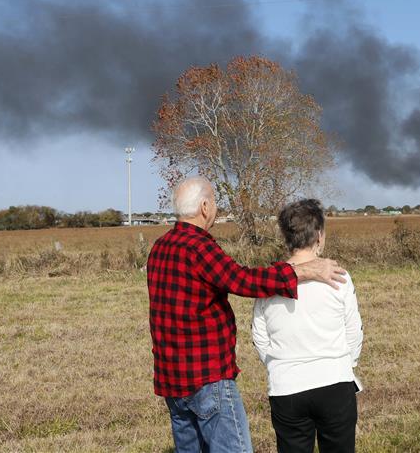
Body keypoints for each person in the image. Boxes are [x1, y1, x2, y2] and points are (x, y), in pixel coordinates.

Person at [147, 177, 347, 453]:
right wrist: (303, 271)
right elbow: (243, 281)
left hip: (172, 380)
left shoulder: (160, 247)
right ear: (204, 207)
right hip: (206, 378)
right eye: (214, 202)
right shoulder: (199, 247)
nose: (216, 208)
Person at [252, 199, 363, 453]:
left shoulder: (270, 282)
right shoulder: (340, 277)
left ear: (286, 237)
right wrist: (346, 365)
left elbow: (260, 337)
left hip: (286, 388)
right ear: (319, 236)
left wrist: (279, 365)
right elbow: (353, 331)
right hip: (335, 382)